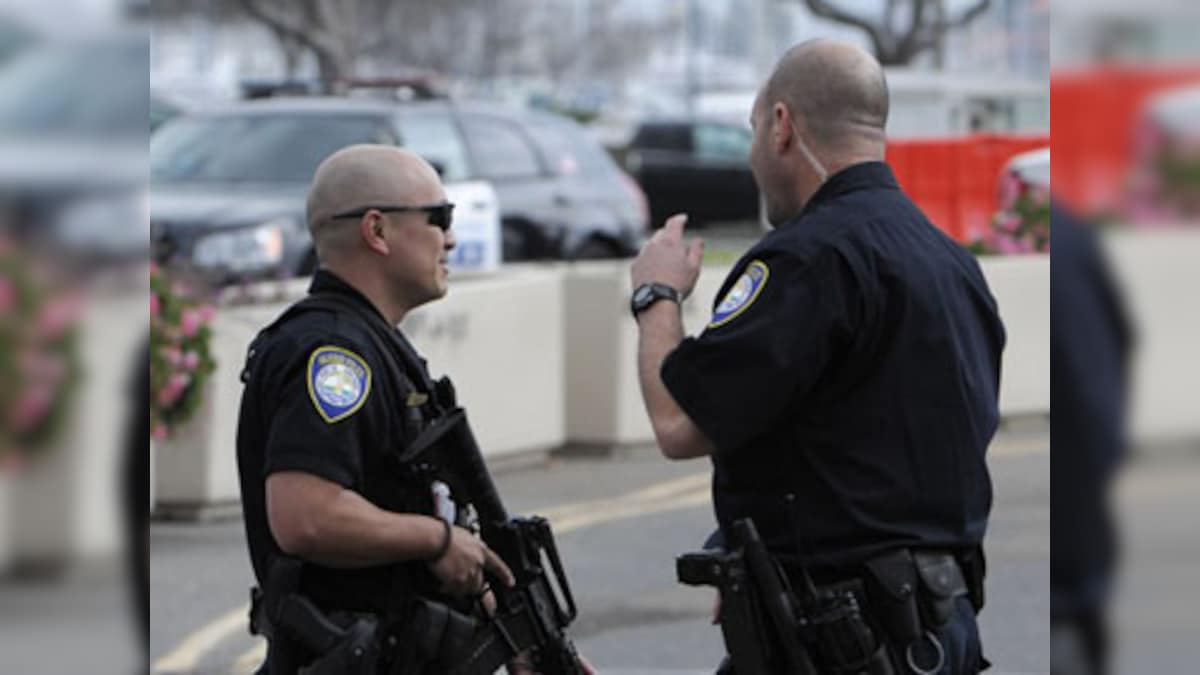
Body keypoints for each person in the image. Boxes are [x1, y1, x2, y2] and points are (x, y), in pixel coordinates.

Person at [631, 39, 1005, 674]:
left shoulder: (808, 261)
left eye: (753, 130)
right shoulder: (952, 263)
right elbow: (870, 445)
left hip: (846, 640)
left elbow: (678, 423)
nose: (753, 156)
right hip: (941, 628)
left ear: (782, 127)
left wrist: (656, 294)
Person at [236, 145, 560, 674]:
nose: (451, 237)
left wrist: (513, 634)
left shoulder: (377, 346)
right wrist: (435, 541)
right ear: (377, 230)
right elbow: (304, 515)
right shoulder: (334, 355)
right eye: (440, 218)